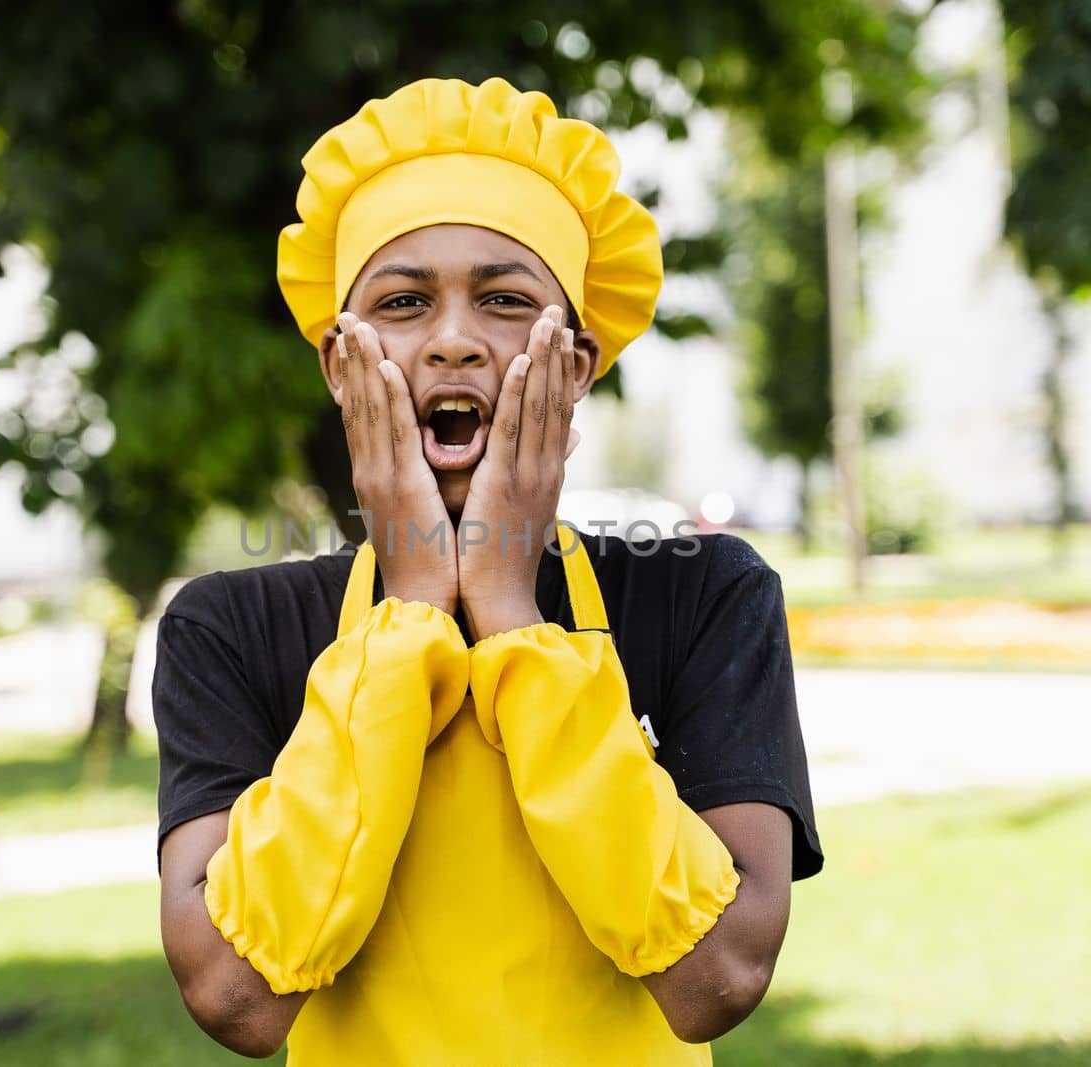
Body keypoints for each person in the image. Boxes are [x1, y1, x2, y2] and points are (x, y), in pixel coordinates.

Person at [154, 76, 823, 1065]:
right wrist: (413, 610)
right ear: (341, 363)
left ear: (577, 361)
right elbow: (234, 996)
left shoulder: (703, 595)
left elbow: (716, 975)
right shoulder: (228, 627)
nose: (455, 337)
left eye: (506, 298)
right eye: (403, 300)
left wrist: (510, 613)